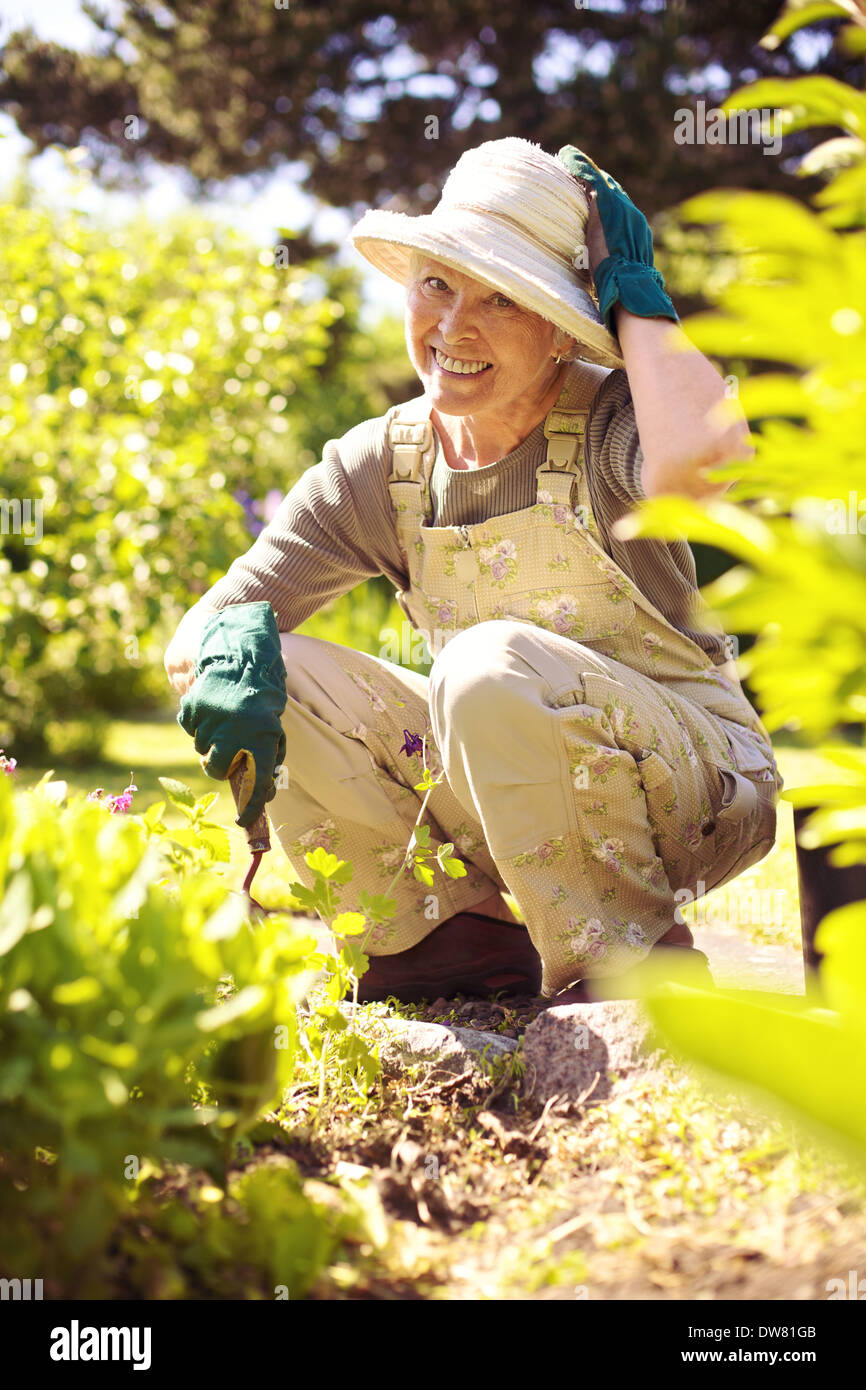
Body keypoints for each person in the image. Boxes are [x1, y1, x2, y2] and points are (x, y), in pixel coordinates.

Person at [165, 137, 782, 1006]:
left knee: (486, 664)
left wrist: (636, 296)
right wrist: (221, 665)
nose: (454, 327)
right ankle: (444, 941)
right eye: (437, 284)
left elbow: (704, 464)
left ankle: (628, 960)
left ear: (562, 331)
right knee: (274, 658)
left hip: (692, 791)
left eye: (503, 298)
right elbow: (207, 628)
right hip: (508, 805)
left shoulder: (609, 421)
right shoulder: (382, 466)